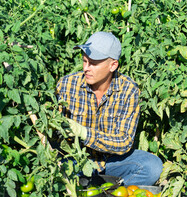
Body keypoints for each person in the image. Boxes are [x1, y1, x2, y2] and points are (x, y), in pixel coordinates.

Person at [55, 31, 163, 185]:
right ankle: (88, 192)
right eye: (84, 61)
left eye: (93, 63)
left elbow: (124, 141)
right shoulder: (66, 85)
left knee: (152, 167)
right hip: (76, 159)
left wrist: (84, 133)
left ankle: (111, 195)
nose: (86, 68)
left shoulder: (128, 90)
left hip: (111, 162)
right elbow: (54, 133)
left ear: (113, 65)